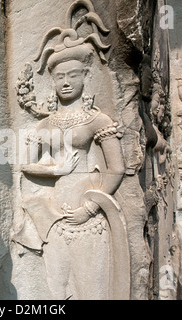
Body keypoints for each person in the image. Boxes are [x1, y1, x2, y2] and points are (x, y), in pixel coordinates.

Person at [18, 32, 127, 299]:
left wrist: (89, 209)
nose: (65, 82)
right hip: (55, 217)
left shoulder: (97, 120)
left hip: (87, 216)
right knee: (57, 288)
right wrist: (56, 170)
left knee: (90, 288)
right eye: (59, 77)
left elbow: (117, 168)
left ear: (85, 78)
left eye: (72, 76)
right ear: (52, 82)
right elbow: (26, 165)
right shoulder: (46, 124)